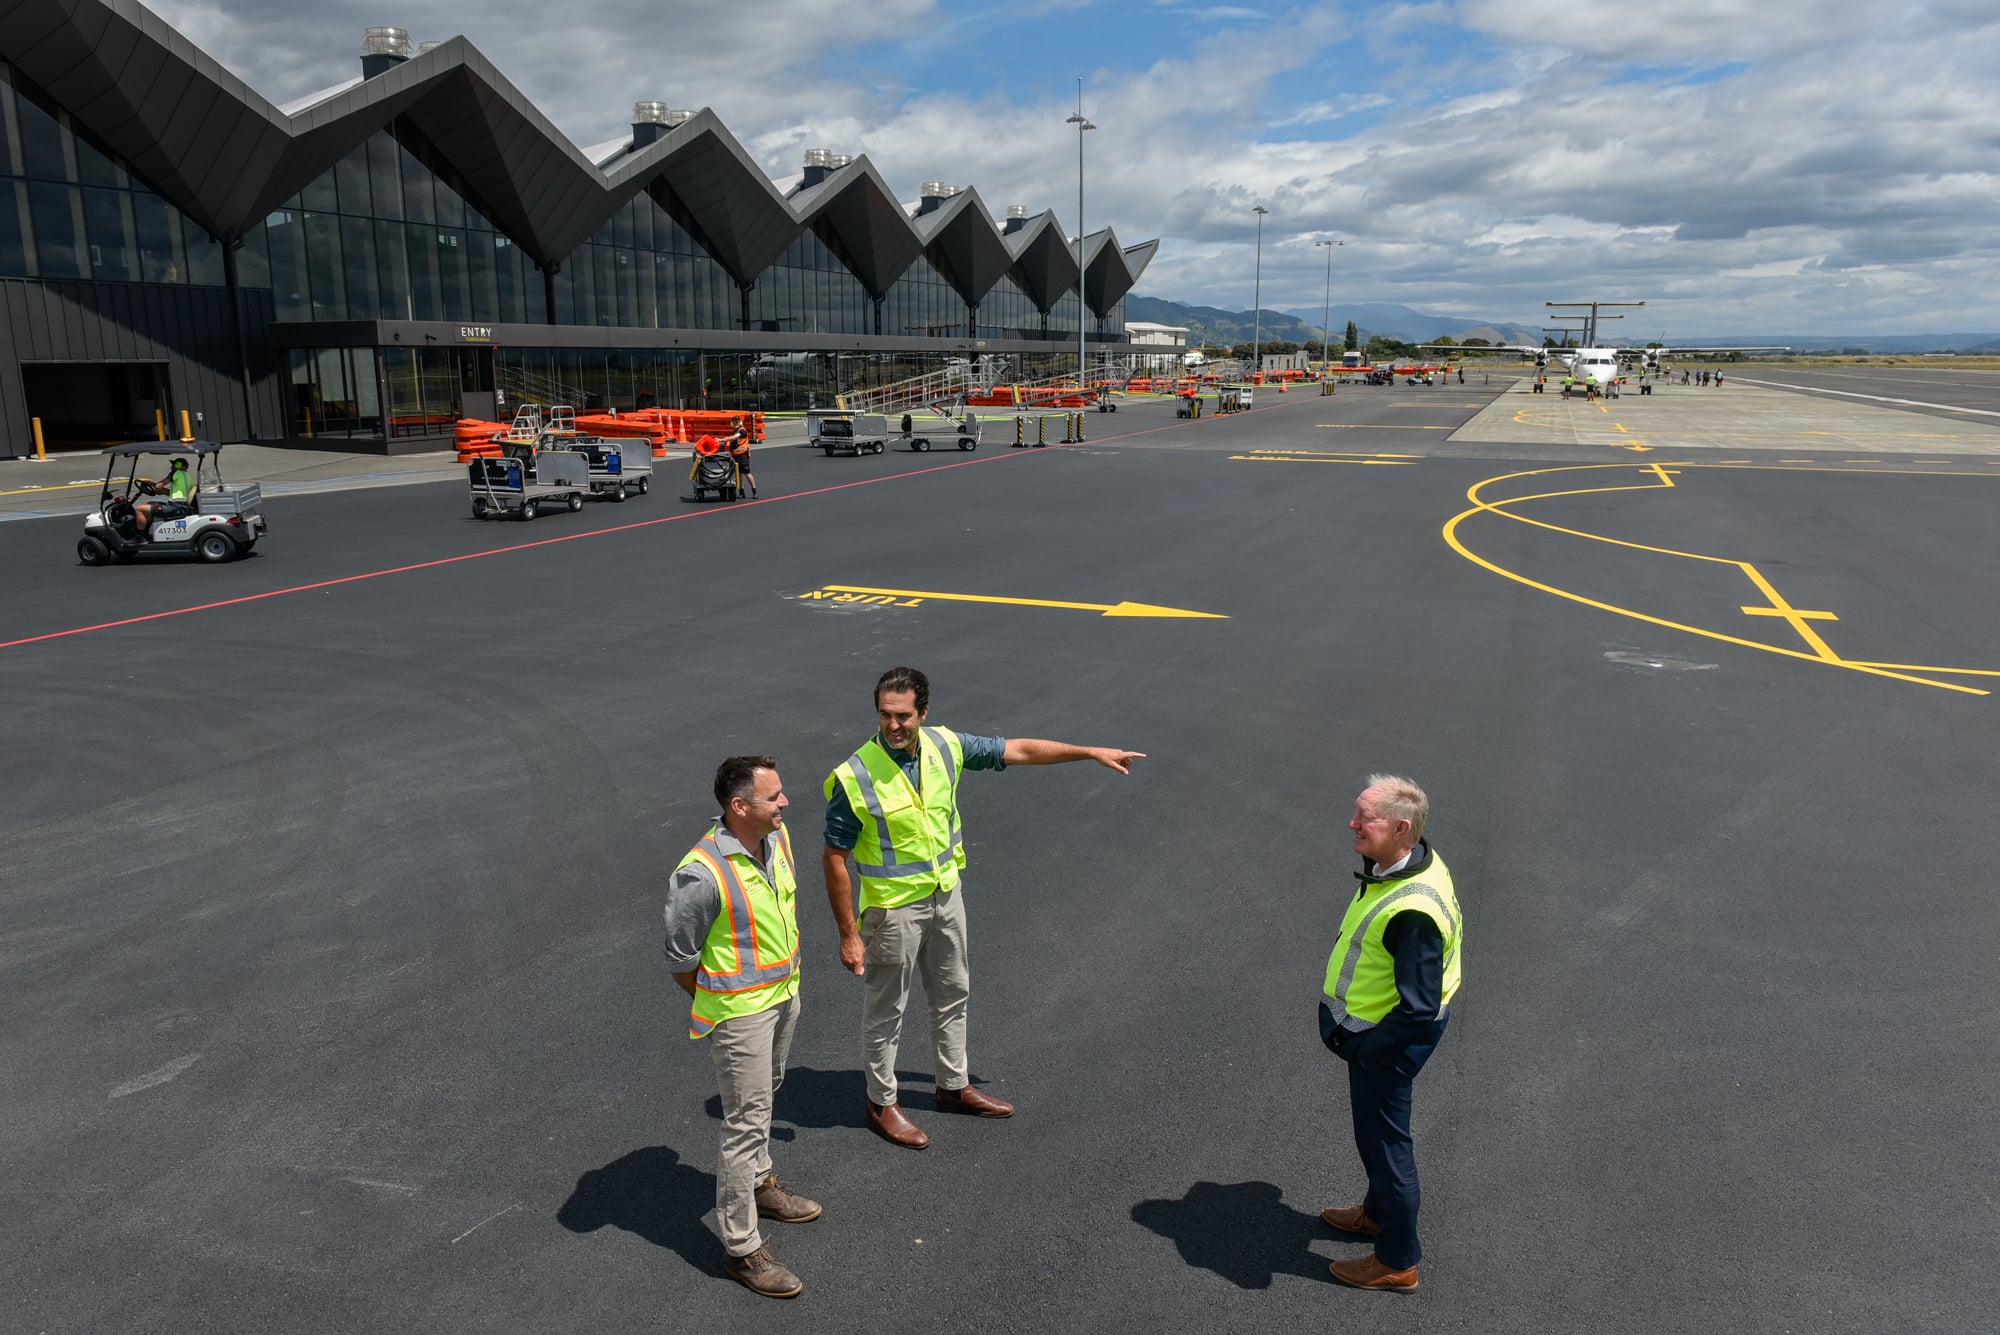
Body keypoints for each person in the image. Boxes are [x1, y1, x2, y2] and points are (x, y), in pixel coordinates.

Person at [823, 666, 1143, 1149]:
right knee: (886, 1011)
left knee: (953, 993)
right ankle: (881, 1102)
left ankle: (953, 1087)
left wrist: (1090, 752)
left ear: (923, 712)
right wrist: (849, 933)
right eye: (886, 715)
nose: (893, 725)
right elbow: (834, 857)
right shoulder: (856, 775)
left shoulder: (946, 745)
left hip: (946, 895)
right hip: (892, 912)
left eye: (903, 715)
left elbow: (1018, 750)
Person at [663, 756, 819, 1299]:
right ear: (739, 806)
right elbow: (680, 959)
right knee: (745, 1123)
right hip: (741, 1015)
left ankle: (760, 1184)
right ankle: (741, 1248)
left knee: (766, 1097)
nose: (785, 803)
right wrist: (726, 1005)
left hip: (783, 996)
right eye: (773, 797)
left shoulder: (777, 839)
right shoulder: (700, 873)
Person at [1318, 775, 1463, 1294]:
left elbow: (1418, 1008)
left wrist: (1371, 1051)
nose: (1352, 824)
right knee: (1377, 1139)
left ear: (1401, 828)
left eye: (1366, 818)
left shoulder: (1412, 910)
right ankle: (1377, 1214)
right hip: (1383, 1036)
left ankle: (1397, 1261)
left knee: (1386, 1148)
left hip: (1389, 1042)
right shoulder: (1415, 862)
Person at [133, 456, 194, 534]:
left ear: (178, 465)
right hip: (182, 507)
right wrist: (162, 491)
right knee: (150, 503)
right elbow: (175, 493)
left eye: (173, 465)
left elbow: (158, 486)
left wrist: (150, 483)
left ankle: (140, 535)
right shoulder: (188, 476)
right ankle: (149, 530)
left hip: (174, 508)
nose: (171, 467)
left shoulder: (175, 473)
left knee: (139, 509)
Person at [726, 421, 758, 497]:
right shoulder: (735, 431)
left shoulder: (742, 431)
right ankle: (741, 492)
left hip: (743, 456)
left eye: (737, 423)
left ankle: (754, 491)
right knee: (738, 474)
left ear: (740, 423)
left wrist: (722, 439)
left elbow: (734, 437)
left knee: (747, 473)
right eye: (734, 423)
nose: (736, 425)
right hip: (735, 455)